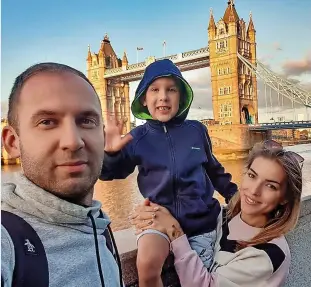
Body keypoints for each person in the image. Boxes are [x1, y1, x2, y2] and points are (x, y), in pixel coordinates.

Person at [101, 59, 238, 287]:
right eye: (154, 89)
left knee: (198, 278)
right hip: (157, 218)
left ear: (181, 97)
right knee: (146, 264)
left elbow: (215, 171)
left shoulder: (196, 131)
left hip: (200, 223)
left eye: (171, 89)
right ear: (144, 100)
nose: (163, 96)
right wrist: (110, 153)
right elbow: (110, 173)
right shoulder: (136, 138)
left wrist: (235, 197)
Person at [1, 63, 122, 287]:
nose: (73, 141)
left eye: (86, 121)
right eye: (47, 122)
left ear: (102, 136)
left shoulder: (99, 226)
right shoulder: (6, 239)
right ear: (12, 142)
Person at [130, 140, 303, 287]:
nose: (254, 190)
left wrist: (174, 231)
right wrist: (150, 211)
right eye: (252, 175)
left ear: (285, 198)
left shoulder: (268, 254)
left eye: (270, 186)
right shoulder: (223, 216)